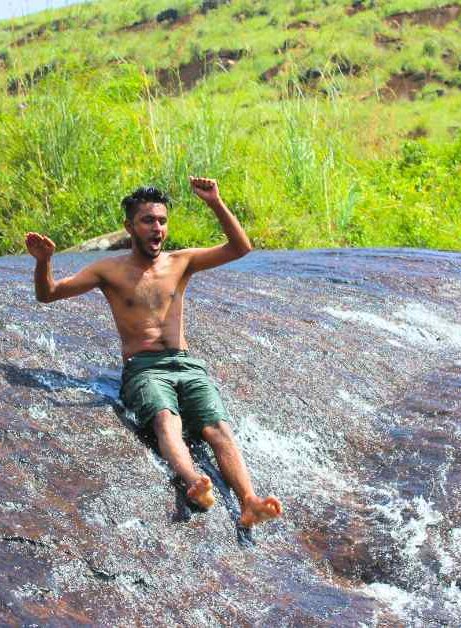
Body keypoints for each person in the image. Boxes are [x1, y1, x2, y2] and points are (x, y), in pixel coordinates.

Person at [25, 178, 283, 529]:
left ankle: (249, 501)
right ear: (129, 227)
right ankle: (194, 482)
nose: (157, 228)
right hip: (144, 369)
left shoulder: (181, 262)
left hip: (186, 364)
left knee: (218, 428)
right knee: (166, 419)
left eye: (162, 220)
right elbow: (49, 294)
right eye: (148, 220)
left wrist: (215, 202)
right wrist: (44, 261)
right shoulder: (109, 270)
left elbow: (240, 248)